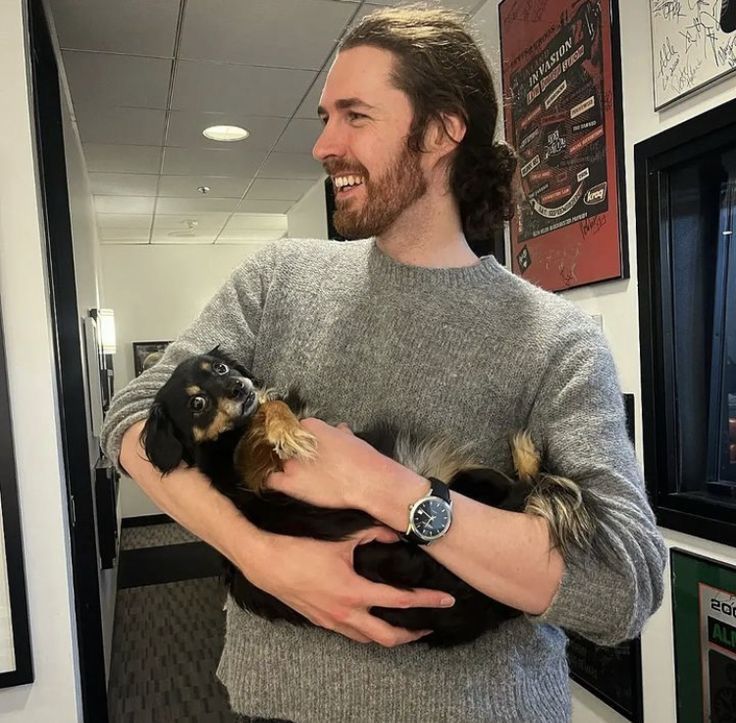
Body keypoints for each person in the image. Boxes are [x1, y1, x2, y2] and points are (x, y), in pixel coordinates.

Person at [101, 7, 667, 722]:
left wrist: (392, 490)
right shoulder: (278, 281)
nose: (323, 145)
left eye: (355, 116)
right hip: (276, 708)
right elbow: (130, 417)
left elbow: (625, 584)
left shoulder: (556, 338)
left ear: (441, 131)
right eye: (324, 116)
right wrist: (262, 555)